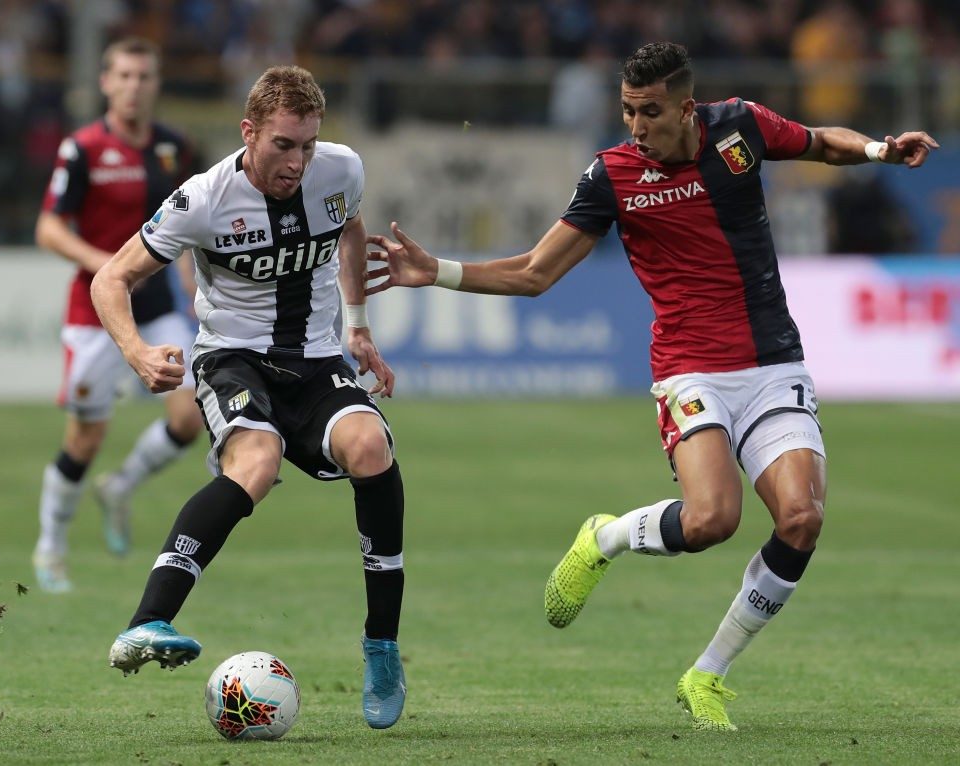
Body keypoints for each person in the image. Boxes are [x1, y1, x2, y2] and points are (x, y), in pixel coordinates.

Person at [365, 42, 938, 731]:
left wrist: (878, 149)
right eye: (628, 111)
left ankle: (708, 674)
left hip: (773, 363)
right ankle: (604, 538)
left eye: (650, 112)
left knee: (802, 519)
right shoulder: (612, 175)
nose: (637, 126)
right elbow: (535, 273)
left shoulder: (740, 130)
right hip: (690, 369)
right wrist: (441, 272)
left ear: (685, 107)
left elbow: (821, 144)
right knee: (711, 522)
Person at [90, 65, 408, 730]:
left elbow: (349, 229)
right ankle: (147, 622)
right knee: (256, 464)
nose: (297, 163)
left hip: (315, 359)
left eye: (308, 146)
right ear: (249, 133)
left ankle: (382, 646)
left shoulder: (342, 171)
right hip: (233, 358)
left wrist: (358, 327)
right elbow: (110, 278)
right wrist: (138, 352)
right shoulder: (203, 199)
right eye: (283, 145)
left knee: (372, 446)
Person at [33, 37, 203, 593]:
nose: (134, 86)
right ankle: (51, 547)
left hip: (156, 307)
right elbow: (49, 227)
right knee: (85, 438)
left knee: (188, 417)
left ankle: (122, 485)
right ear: (105, 82)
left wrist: (192, 280)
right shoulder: (82, 149)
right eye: (124, 76)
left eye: (144, 76)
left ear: (156, 84)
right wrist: (106, 267)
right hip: (95, 310)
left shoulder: (175, 148)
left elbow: (194, 224)